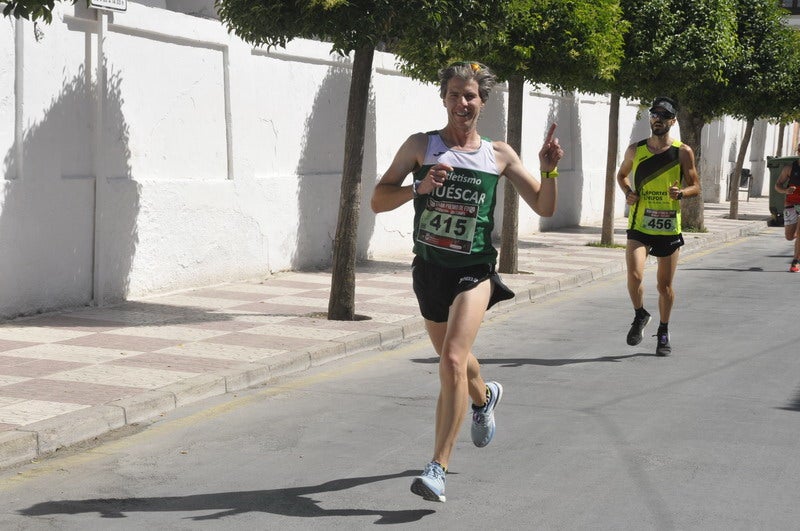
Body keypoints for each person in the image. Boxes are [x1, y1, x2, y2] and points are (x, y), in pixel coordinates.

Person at [370, 61, 563, 503]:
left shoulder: (498, 154)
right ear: (444, 98)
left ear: (482, 101)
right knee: (454, 360)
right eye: (455, 94)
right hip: (429, 270)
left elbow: (544, 207)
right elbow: (379, 200)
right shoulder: (422, 146)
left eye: (470, 95)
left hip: (474, 269)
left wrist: (548, 169)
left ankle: (438, 467)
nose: (462, 102)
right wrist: (417, 188)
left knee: (452, 360)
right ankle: (485, 397)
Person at [616, 96, 701, 357]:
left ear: (673, 121)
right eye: (654, 115)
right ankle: (640, 314)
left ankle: (663, 331)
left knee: (664, 286)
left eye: (664, 116)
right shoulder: (636, 149)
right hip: (640, 224)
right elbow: (621, 176)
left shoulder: (682, 152)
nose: (658, 119)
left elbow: (696, 186)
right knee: (635, 276)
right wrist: (628, 192)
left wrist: (681, 194)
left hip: (668, 228)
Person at [774, 143, 800, 272]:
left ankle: (795, 261)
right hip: (790, 204)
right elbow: (777, 185)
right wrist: (786, 190)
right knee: (789, 236)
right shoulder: (789, 168)